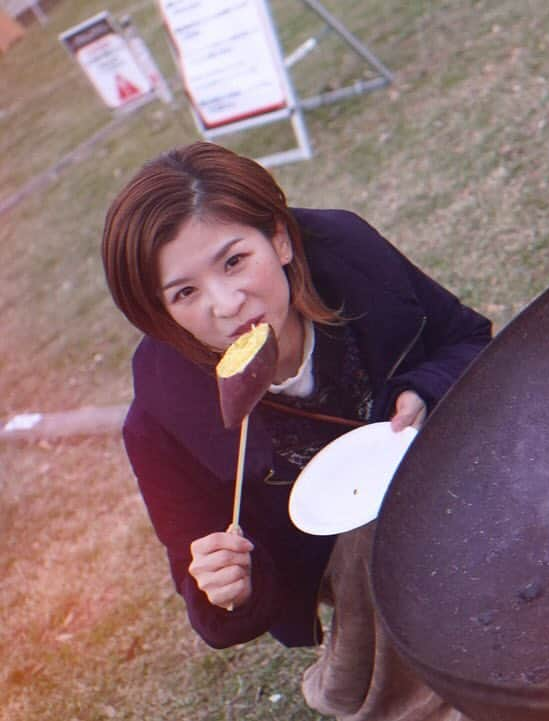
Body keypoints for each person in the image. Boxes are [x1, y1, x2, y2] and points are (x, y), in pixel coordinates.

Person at [101, 141, 490, 719]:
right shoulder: (162, 415)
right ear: (162, 314)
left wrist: (424, 388)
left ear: (279, 238)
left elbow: (467, 339)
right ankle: (376, 689)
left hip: (448, 465)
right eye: (185, 293)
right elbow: (205, 589)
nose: (228, 303)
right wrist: (225, 586)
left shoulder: (350, 259)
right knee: (373, 526)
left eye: (235, 260)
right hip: (337, 557)